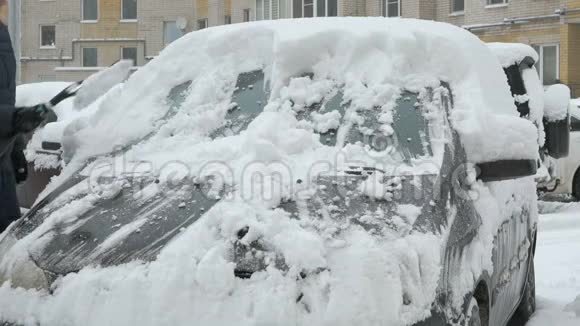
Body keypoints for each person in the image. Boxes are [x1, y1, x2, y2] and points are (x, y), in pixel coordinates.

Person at [0, 0, 52, 232]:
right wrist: (16, 119)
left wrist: (15, 147)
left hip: (2, 167)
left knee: (7, 244)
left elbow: (3, 100)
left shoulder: (2, 34)